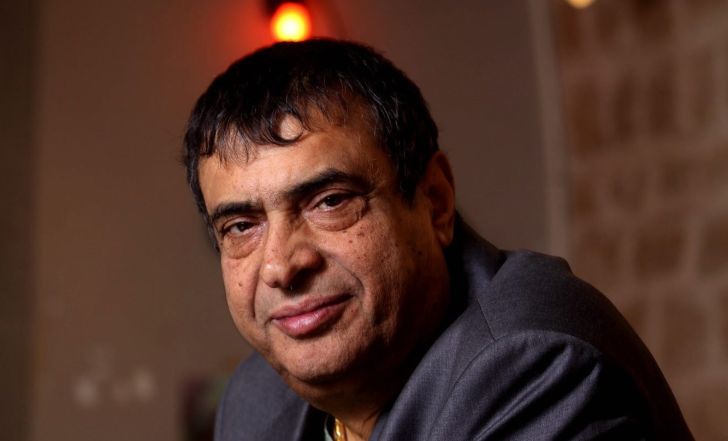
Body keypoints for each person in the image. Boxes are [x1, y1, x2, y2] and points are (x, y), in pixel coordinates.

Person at [182, 39, 693, 441]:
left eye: (330, 201)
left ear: (435, 200)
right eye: (241, 226)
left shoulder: (536, 370)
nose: (281, 266)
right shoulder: (255, 400)